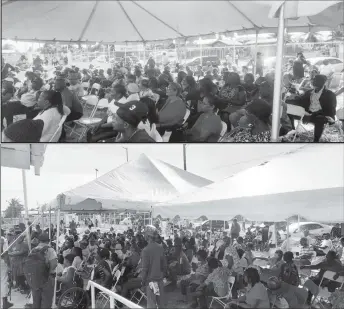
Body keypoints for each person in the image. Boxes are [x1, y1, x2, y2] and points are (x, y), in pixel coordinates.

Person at [25, 233, 57, 309]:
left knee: (36, 301)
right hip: (47, 279)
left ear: (39, 241)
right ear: (48, 241)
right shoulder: (50, 250)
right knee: (46, 301)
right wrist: (48, 272)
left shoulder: (33, 250)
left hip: (35, 278)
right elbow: (54, 264)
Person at [141, 225, 167, 309]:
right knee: (161, 304)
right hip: (159, 280)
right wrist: (162, 276)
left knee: (151, 305)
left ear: (148, 236)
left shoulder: (145, 250)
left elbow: (145, 269)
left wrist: (143, 281)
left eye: (144, 233)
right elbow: (164, 265)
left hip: (150, 281)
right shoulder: (160, 247)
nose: (143, 235)